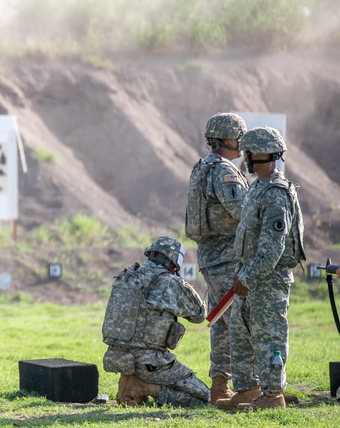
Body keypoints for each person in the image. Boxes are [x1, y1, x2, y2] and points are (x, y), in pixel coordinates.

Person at [217, 126, 305, 410]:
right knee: (242, 336)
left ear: (258, 155)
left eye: (248, 154)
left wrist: (250, 277)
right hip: (249, 275)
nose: (245, 159)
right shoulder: (258, 188)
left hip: (267, 279)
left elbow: (272, 248)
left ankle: (272, 396)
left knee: (269, 338)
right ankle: (247, 390)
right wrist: (242, 271)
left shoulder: (276, 194)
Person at [185, 112, 249, 403]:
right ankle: (251, 388)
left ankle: (220, 386)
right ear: (226, 139)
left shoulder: (202, 167)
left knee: (221, 322)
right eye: (239, 138)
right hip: (228, 257)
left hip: (212, 257)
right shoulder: (224, 171)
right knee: (240, 321)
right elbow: (242, 211)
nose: (242, 144)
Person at [102, 237, 211, 407]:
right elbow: (199, 314)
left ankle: (129, 383)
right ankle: (144, 388)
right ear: (174, 263)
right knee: (204, 398)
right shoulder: (170, 281)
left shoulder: (127, 276)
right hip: (150, 362)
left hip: (118, 356)